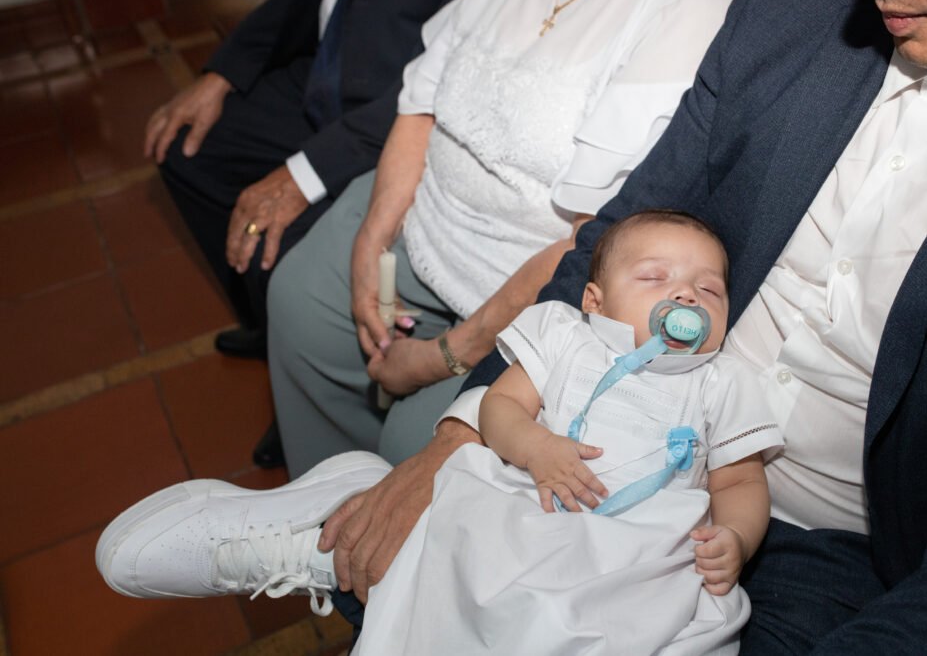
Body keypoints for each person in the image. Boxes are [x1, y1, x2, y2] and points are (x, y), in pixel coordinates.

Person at [305, 0, 927, 652]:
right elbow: (621, 236)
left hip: (838, 549)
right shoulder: (793, 7)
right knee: (414, 580)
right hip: (611, 438)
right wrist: (459, 439)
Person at [97, 211, 784, 656]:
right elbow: (500, 409)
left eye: (709, 289)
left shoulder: (720, 381)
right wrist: (535, 446)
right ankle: (335, 541)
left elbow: (740, 481)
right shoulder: (568, 337)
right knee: (463, 573)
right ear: (594, 300)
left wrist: (736, 536)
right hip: (528, 512)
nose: (685, 296)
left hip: (642, 563)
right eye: (655, 277)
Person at [268, 0, 745, 474]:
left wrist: (440, 358)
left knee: (417, 446)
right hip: (428, 216)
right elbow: (420, 107)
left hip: (534, 293)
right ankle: (327, 500)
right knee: (301, 303)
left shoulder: (690, 5)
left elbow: (591, 241)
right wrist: (373, 240)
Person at [147, 0, 470, 361]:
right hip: (323, 73)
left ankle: (297, 350)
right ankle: (265, 323)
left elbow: (444, 71)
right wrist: (224, 73)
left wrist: (303, 176)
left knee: (274, 248)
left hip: (390, 114)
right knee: (185, 149)